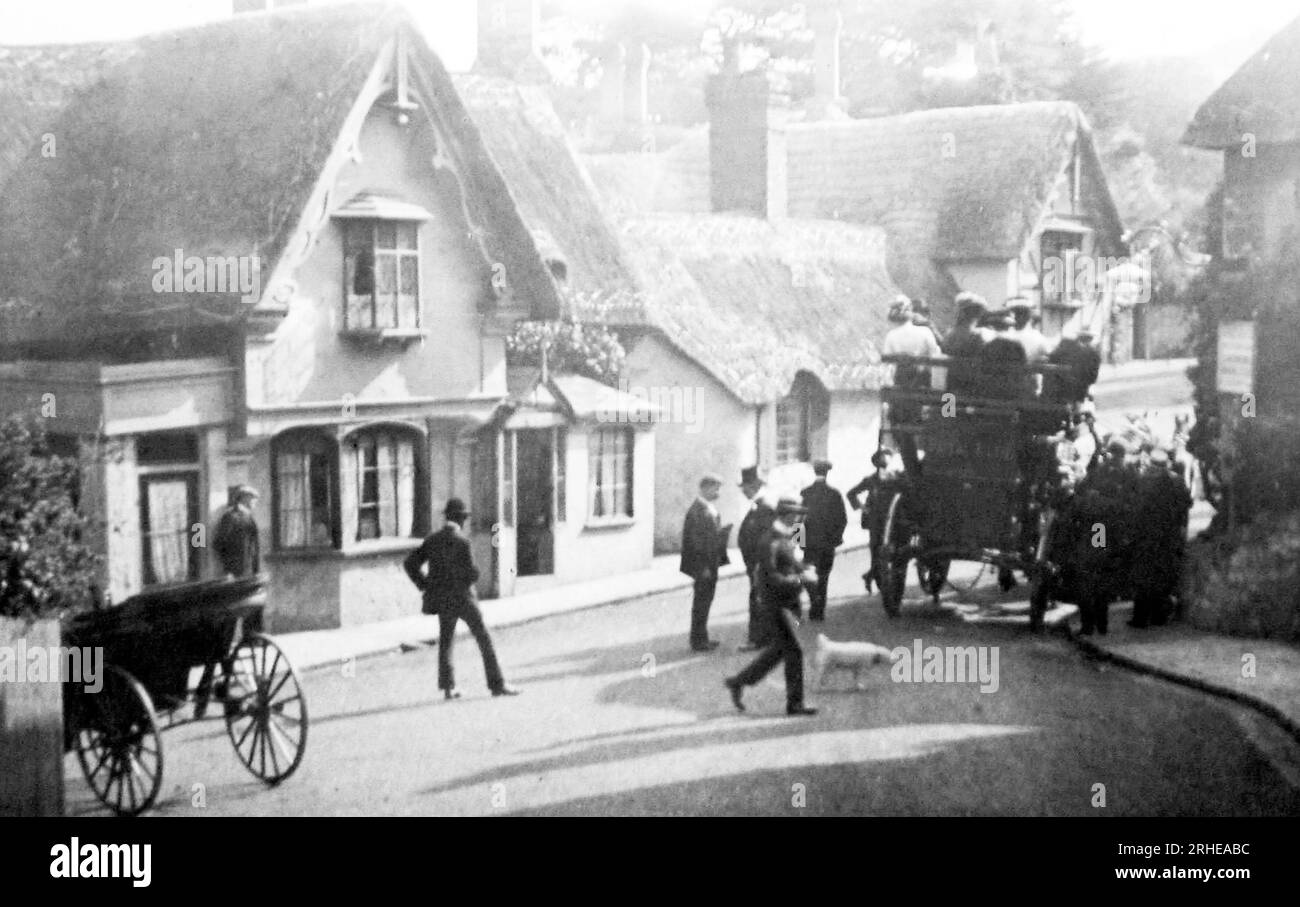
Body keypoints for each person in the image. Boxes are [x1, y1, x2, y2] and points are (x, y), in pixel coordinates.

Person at [403, 498, 520, 699]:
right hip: (464, 599)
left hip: (443, 600)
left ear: (447, 517)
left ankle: (448, 688)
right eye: (464, 518)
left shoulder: (432, 540)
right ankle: (497, 684)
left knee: (446, 641)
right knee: (484, 639)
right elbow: (472, 573)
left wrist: (425, 585)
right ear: (461, 519)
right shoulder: (463, 542)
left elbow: (410, 563)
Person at [724, 498, 819, 717]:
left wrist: (805, 568)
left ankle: (738, 681)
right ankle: (795, 704)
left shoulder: (792, 533)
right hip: (777, 603)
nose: (800, 519)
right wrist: (799, 579)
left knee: (780, 649)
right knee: (794, 650)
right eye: (796, 515)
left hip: (792, 602)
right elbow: (771, 576)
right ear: (786, 516)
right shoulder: (769, 541)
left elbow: (795, 559)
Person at [1129, 448, 1193, 628]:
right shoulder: (1177, 481)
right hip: (1168, 535)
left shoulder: (1143, 481)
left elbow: (1136, 508)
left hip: (1146, 535)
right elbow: (1186, 504)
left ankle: (1140, 618)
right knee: (1162, 575)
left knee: (1143, 575)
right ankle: (1159, 615)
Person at [882, 296, 941, 473]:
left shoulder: (891, 336)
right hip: (925, 390)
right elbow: (937, 359)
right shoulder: (924, 333)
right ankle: (932, 462)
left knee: (900, 428)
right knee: (945, 415)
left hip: (901, 393)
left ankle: (912, 467)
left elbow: (888, 367)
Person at [680, 474, 731, 652]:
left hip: (710, 564)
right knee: (701, 603)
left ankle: (703, 638)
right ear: (705, 488)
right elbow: (695, 544)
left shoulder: (707, 508)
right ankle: (698, 641)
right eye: (715, 488)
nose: (718, 492)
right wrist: (703, 568)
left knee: (705, 602)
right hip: (704, 567)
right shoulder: (697, 511)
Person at [800, 459, 848, 622]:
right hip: (827, 544)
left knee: (809, 576)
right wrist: (836, 539)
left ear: (815, 472)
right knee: (823, 576)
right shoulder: (834, 494)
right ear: (827, 473)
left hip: (809, 544)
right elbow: (842, 519)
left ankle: (814, 602)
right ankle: (819, 611)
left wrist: (798, 541)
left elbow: (797, 519)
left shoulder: (805, 493)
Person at [846, 448, 899, 594]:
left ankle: (871, 577)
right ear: (876, 463)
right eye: (882, 459)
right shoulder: (871, 480)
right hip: (876, 521)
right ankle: (878, 582)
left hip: (890, 519)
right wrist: (864, 509)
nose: (884, 463)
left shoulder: (894, 477)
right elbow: (851, 493)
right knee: (877, 551)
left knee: (883, 551)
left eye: (886, 459)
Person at [737, 466, 776, 652]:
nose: (743, 490)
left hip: (759, 564)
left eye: (744, 486)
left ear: (752, 486)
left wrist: (758, 564)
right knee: (761, 599)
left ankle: (757, 639)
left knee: (757, 599)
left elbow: (764, 539)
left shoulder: (764, 507)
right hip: (756, 563)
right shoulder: (758, 505)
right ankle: (765, 638)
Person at [941, 293, 991, 396]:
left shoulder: (949, 334)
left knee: (949, 411)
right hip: (973, 389)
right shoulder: (980, 335)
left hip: (951, 387)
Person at [214, 485, 261, 578]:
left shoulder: (249, 517)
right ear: (245, 499)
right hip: (235, 570)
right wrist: (228, 569)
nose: (255, 503)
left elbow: (254, 546)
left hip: (248, 570)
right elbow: (220, 542)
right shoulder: (231, 516)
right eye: (253, 499)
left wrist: (256, 570)